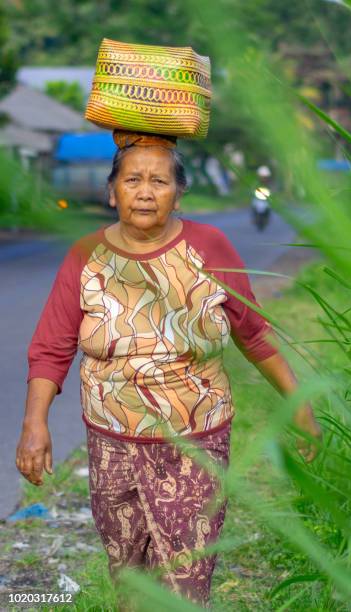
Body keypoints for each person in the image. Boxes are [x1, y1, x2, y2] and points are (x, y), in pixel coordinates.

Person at [15, 130, 323, 607]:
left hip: (194, 443)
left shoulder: (209, 246)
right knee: (130, 582)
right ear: (111, 190)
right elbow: (51, 346)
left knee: (185, 585)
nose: (144, 191)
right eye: (132, 179)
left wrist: (298, 406)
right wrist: (35, 423)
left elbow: (253, 332)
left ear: (179, 194)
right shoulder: (85, 256)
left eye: (158, 181)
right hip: (110, 443)